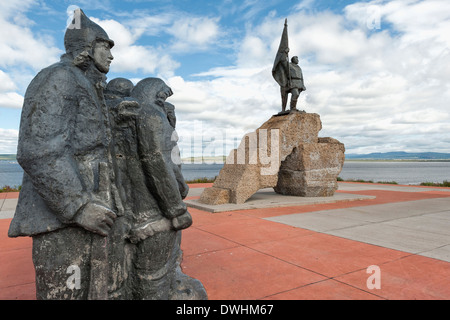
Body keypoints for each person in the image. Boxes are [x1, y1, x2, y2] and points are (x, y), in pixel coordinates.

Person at [8, 9, 122, 299]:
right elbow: (39, 150)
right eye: (105, 47)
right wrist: (79, 207)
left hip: (89, 214)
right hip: (64, 220)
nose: (110, 56)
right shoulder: (59, 78)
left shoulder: (86, 84)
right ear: (87, 47)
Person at [105, 77, 206, 299]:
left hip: (130, 214)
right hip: (154, 215)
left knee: (144, 274)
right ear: (157, 95)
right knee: (154, 276)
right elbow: (157, 164)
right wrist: (176, 210)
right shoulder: (151, 115)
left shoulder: (120, 121)